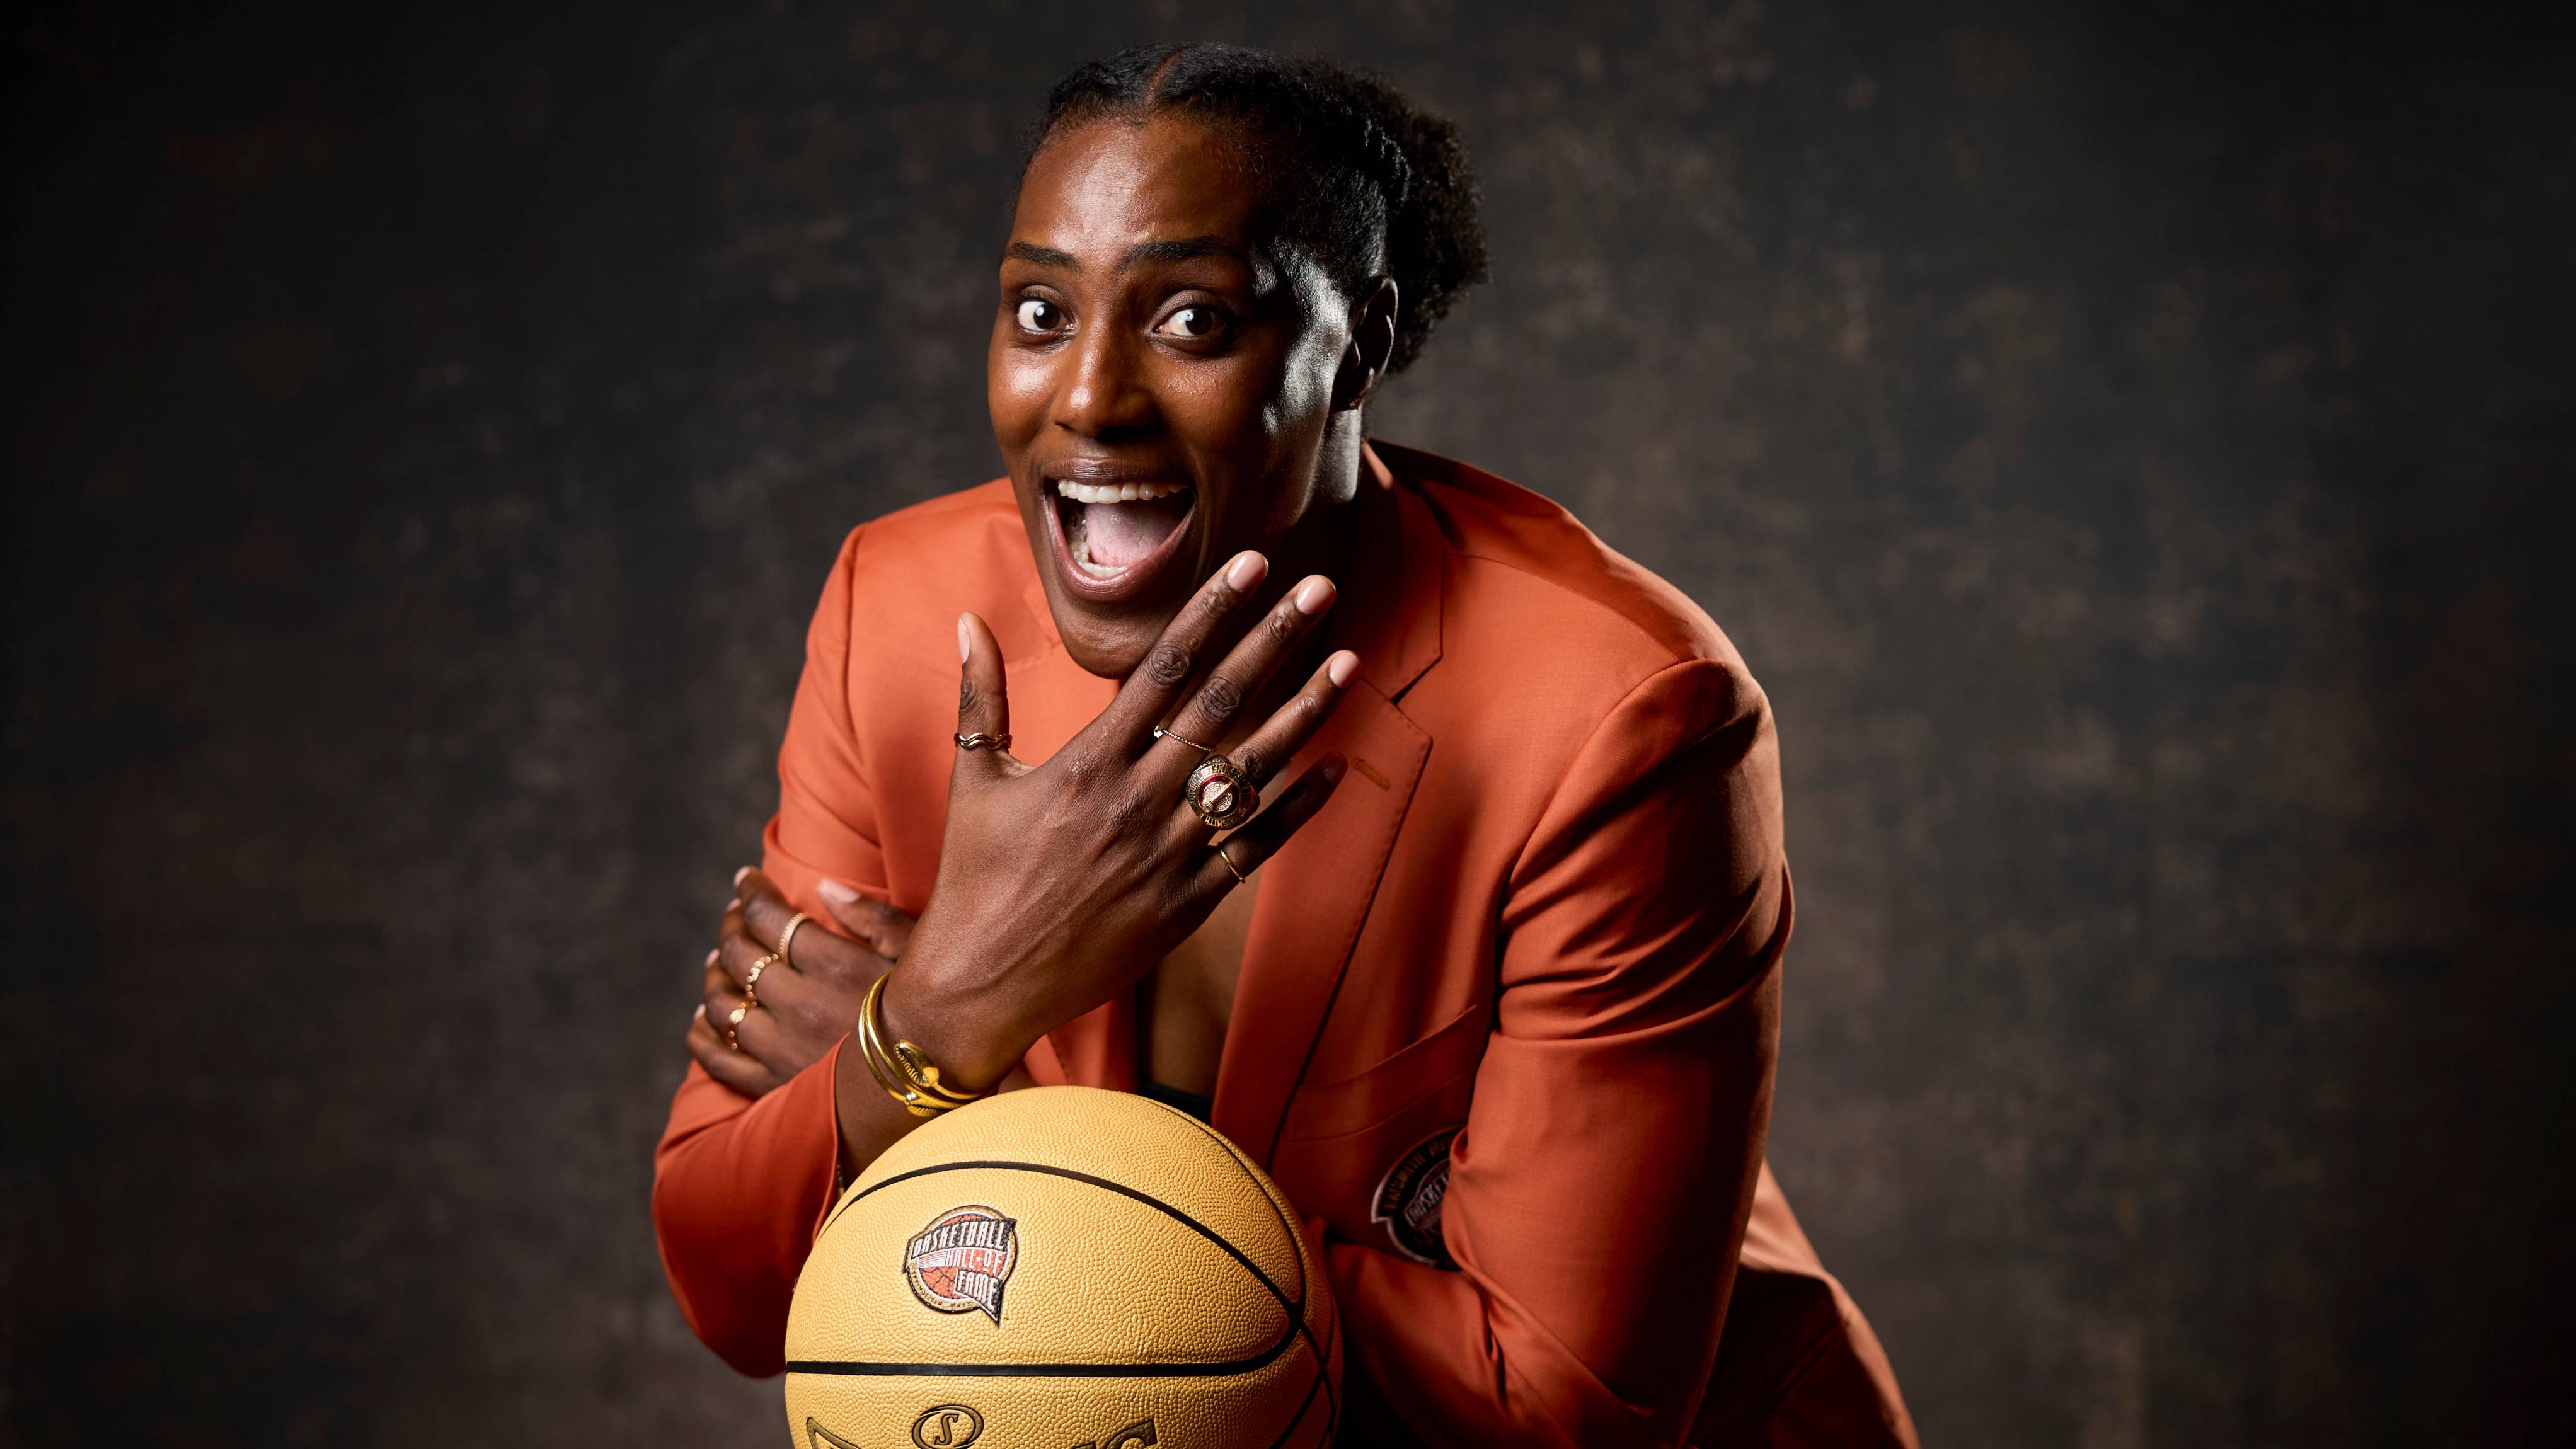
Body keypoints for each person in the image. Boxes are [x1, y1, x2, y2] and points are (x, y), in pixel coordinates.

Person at [652, 42, 1916, 1449]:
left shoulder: (1618, 719)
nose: (1089, 397)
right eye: (1040, 312)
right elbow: (733, 1281)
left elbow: (1561, 1408)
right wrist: (939, 1025)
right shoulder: (899, 616)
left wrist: (962, 1094)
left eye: (1194, 320)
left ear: (1358, 343)